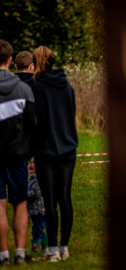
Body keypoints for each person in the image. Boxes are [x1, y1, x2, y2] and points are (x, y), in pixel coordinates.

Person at [32, 46, 78, 262]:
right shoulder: (67, 85)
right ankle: (64, 247)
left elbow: (35, 122)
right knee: (64, 197)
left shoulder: (38, 88)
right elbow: (72, 113)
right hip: (68, 148)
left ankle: (52, 250)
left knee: (50, 200)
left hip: (46, 151)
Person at [0, 40, 36, 265]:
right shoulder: (24, 88)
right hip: (17, 154)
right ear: (11, 60)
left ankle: (3, 255)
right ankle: (20, 254)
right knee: (20, 202)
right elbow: (32, 126)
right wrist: (31, 156)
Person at [26, 157, 47, 255]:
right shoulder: (31, 179)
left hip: (39, 211)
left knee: (36, 231)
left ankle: (35, 249)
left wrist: (24, 194)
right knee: (39, 230)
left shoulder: (38, 180)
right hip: (35, 211)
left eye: (34, 164)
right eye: (30, 163)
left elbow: (35, 194)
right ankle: (45, 247)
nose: (31, 164)